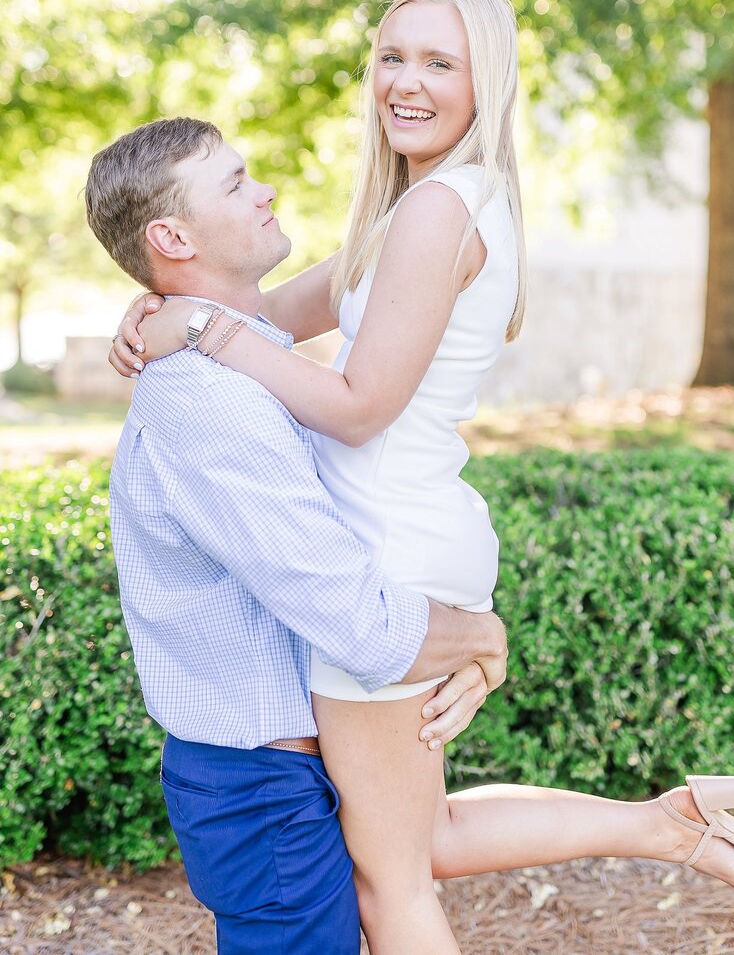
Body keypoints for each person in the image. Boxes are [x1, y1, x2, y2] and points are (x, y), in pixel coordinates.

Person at [111, 0, 734, 952]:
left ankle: (664, 825)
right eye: (392, 56)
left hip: (385, 537)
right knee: (416, 837)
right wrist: (163, 310)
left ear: (484, 81)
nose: (404, 83)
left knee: (391, 886)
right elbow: (272, 311)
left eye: (438, 62)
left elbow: (357, 404)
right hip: (413, 520)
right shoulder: (427, 202)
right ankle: (666, 821)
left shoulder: (433, 212)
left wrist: (207, 329)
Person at [85, 113, 509, 955]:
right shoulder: (212, 405)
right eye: (236, 183)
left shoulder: (242, 357)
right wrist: (483, 635)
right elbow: (360, 624)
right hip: (263, 787)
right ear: (171, 233)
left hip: (287, 768)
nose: (266, 188)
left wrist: (185, 314)